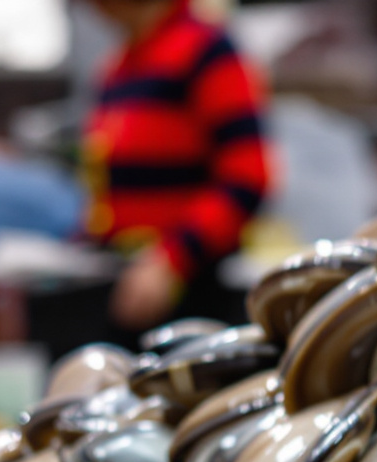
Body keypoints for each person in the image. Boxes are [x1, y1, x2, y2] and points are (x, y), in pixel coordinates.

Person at [79, 0, 274, 332]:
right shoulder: (119, 67)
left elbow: (247, 178)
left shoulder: (207, 51)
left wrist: (173, 258)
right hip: (130, 282)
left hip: (194, 287)